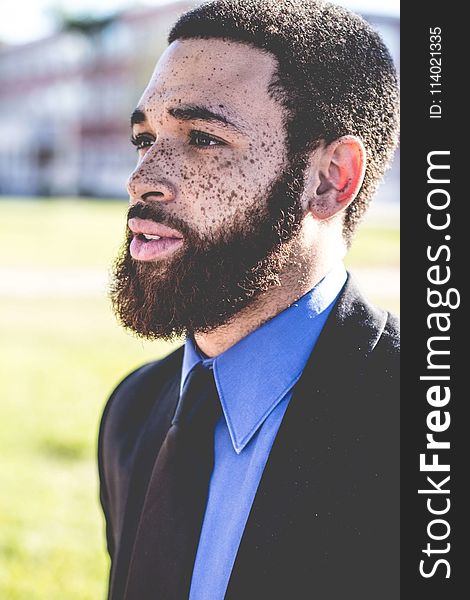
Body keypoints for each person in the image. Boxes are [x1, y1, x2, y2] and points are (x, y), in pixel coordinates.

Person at [98, 1, 400, 598]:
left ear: (330, 178)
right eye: (144, 138)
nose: (142, 178)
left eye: (203, 138)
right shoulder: (132, 413)